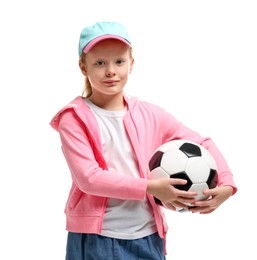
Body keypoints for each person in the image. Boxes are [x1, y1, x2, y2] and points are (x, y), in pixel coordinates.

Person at [50, 21, 237, 260]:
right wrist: (150, 187)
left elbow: (203, 142)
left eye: (119, 61)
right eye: (99, 63)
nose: (110, 71)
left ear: (131, 64)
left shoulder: (149, 114)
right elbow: (89, 178)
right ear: (83, 67)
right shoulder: (74, 118)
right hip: (98, 239)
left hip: (149, 237)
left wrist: (227, 185)